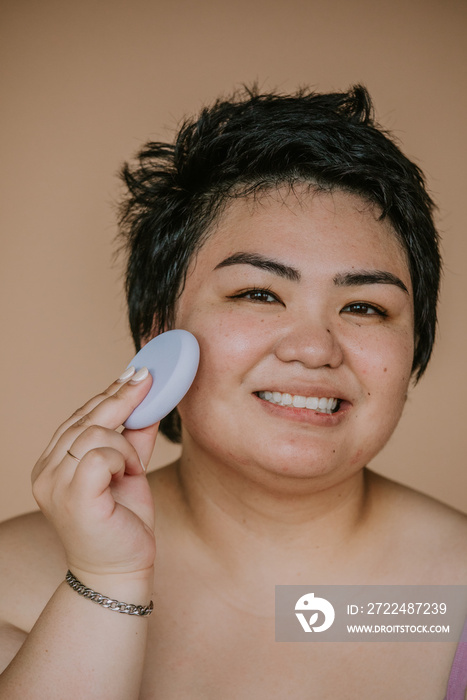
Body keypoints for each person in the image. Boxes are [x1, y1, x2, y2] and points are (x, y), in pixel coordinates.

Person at [0, 85, 466, 699]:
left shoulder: (449, 595)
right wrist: (104, 583)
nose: (315, 348)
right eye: (259, 294)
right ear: (158, 333)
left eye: (365, 306)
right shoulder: (11, 584)